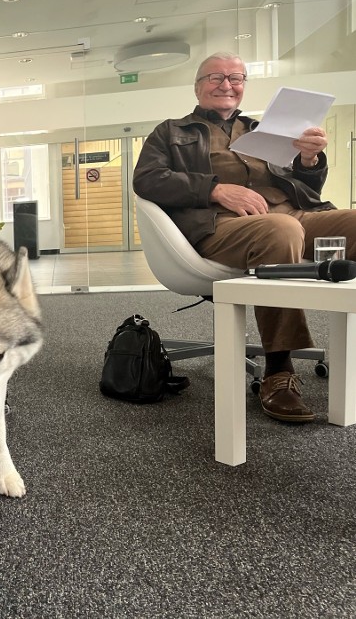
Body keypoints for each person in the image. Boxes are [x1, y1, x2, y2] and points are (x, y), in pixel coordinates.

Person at [133, 51, 356, 423]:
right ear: (198, 86)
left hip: (292, 212)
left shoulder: (265, 130)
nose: (227, 84)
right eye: (216, 77)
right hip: (220, 224)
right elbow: (147, 179)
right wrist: (216, 190)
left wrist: (310, 161)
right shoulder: (171, 132)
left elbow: (306, 187)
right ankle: (279, 370)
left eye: (236, 78)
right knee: (282, 230)